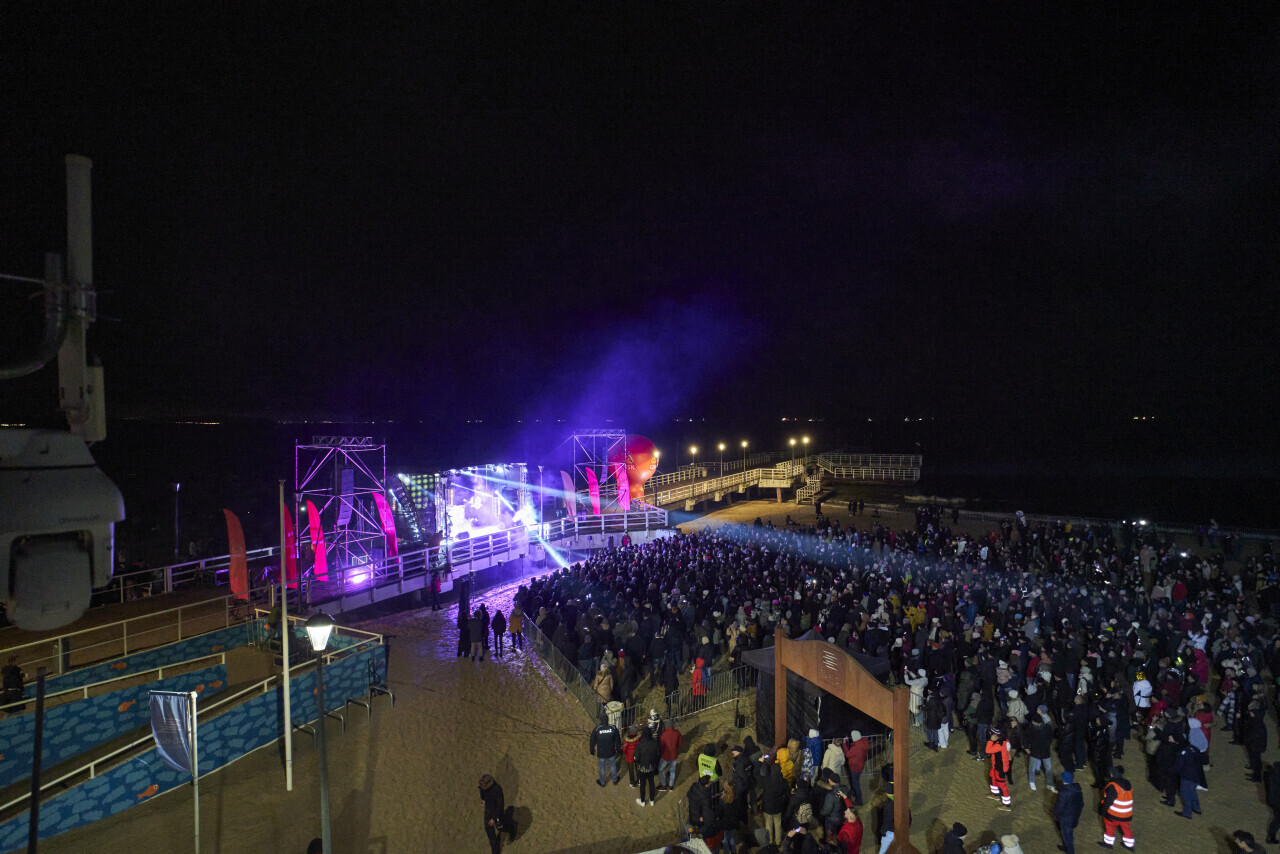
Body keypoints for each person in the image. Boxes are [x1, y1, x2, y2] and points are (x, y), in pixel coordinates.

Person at [1099, 765, 1135, 850]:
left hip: (1114, 813)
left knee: (1109, 826)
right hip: (1126, 813)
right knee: (1126, 828)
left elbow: (1108, 801)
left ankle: (1108, 843)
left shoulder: (1112, 785)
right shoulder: (1127, 783)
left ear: (1113, 774)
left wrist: (1103, 811)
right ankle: (1129, 845)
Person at [1053, 770, 1083, 854]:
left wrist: (1056, 814)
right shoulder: (1078, 790)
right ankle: (1065, 847)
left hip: (1066, 818)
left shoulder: (1064, 792)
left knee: (1068, 838)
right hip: (1074, 816)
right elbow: (1081, 804)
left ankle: (1070, 851)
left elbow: (1059, 806)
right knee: (1066, 835)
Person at [590, 710, 622, 787]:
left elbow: (592, 740)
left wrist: (591, 749)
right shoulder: (613, 728)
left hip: (601, 753)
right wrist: (618, 749)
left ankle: (602, 782)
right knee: (613, 766)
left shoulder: (597, 729)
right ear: (607, 720)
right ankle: (615, 780)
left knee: (602, 768)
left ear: (600, 720)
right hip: (611, 752)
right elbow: (618, 740)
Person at [762, 759, 789, 846]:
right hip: (778, 807)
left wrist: (764, 762)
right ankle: (778, 841)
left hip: (767, 807)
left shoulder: (767, 780)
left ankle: (770, 841)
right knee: (778, 824)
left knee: (768, 824)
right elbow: (787, 794)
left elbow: (764, 772)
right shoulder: (784, 782)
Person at [985, 725, 1013, 811]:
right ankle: (995, 794)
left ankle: (1006, 804)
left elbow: (988, 750)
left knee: (1002, 785)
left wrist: (990, 741)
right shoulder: (1005, 740)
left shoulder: (999, 744)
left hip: (1000, 768)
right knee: (991, 777)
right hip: (996, 766)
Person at [478, 773, 505, 854]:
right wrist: (484, 800)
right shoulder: (483, 787)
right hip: (488, 810)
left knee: (501, 827)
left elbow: (500, 806)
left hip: (496, 812)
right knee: (489, 830)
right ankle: (495, 851)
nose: (482, 788)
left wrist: (494, 818)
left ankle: (512, 827)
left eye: (484, 786)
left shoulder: (497, 790)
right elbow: (482, 794)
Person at [842, 730, 870, 806]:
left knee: (855, 784)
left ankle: (859, 801)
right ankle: (853, 792)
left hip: (855, 767)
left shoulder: (856, 746)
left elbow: (848, 754)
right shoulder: (863, 743)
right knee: (855, 780)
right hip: (860, 765)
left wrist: (844, 743)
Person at [635, 726, 660, 807]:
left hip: (642, 767)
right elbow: (658, 754)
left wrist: (638, 762)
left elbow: (636, 757)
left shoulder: (639, 744)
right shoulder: (655, 743)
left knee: (642, 784)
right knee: (651, 783)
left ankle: (642, 801)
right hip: (651, 767)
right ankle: (652, 800)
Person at [658, 718, 683, 791]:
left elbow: (661, 746)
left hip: (665, 756)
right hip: (674, 755)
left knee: (660, 769)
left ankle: (664, 785)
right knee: (672, 771)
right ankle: (671, 786)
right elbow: (680, 744)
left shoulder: (663, 734)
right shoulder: (677, 733)